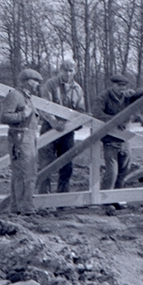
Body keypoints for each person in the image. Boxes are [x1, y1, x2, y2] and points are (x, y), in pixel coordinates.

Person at [40, 59, 86, 193]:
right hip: (49, 127)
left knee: (66, 164)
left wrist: (77, 122)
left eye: (71, 70)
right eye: (65, 70)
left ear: (75, 71)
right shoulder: (51, 84)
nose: (68, 73)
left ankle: (63, 196)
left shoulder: (77, 89)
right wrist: (54, 122)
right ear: (60, 71)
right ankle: (44, 197)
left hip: (68, 130)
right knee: (45, 164)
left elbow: (80, 109)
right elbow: (44, 106)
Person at [0, 68, 42, 213]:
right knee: (26, 173)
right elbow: (5, 117)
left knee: (23, 173)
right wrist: (23, 115)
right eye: (36, 81)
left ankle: (16, 207)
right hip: (20, 137)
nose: (38, 85)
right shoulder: (15, 96)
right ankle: (25, 208)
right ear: (29, 82)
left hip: (28, 137)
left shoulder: (26, 97)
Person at [97, 73, 143, 190]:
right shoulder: (104, 97)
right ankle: (106, 197)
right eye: (119, 85)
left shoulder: (128, 97)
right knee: (112, 173)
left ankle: (118, 195)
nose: (122, 88)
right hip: (110, 140)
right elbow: (97, 114)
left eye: (124, 86)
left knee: (124, 171)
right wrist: (115, 121)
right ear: (113, 85)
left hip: (125, 140)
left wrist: (135, 92)